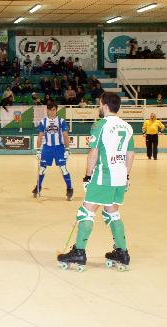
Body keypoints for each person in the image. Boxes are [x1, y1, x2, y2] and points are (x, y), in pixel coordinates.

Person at [57, 93, 135, 271]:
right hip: (120, 178)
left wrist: (87, 176)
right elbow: (131, 154)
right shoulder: (127, 126)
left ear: (105, 105)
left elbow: (93, 153)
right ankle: (122, 252)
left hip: (103, 176)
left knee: (87, 211)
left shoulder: (100, 125)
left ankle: (79, 251)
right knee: (112, 212)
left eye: (100, 104)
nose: (99, 107)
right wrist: (126, 176)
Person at [32, 101, 73, 200]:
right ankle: (38, 186)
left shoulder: (61, 121)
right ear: (47, 110)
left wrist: (67, 149)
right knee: (42, 169)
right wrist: (38, 150)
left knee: (63, 168)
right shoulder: (43, 121)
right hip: (47, 148)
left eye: (54, 110)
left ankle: (69, 188)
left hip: (59, 148)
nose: (52, 112)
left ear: (56, 110)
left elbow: (65, 135)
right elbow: (40, 136)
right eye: (50, 110)